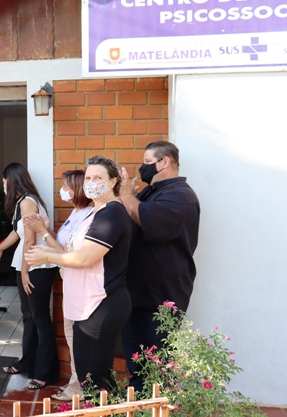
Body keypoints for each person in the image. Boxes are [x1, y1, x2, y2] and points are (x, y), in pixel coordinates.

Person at [25, 156, 132, 392]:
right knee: (95, 376)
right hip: (88, 304)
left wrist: (46, 256)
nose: (91, 183)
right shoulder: (95, 212)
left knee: (91, 380)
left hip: (100, 304)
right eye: (88, 178)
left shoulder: (111, 213)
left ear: (113, 181)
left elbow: (84, 258)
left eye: (98, 178)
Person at [118, 141, 201, 392]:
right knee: (137, 356)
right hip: (139, 291)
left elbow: (145, 217)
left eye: (146, 162)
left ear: (164, 162)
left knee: (158, 359)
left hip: (161, 295)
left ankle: (156, 404)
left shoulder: (180, 196)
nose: (142, 168)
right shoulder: (151, 192)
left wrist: (126, 196)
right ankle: (140, 402)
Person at [22, 170, 92, 401]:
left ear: (76, 190)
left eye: (65, 186)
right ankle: (76, 383)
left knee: (76, 338)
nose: (62, 191)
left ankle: (78, 386)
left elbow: (66, 253)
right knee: (71, 335)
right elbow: (60, 242)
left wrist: (43, 232)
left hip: (80, 284)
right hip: (70, 282)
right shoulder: (76, 212)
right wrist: (47, 229)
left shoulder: (89, 216)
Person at [0, 162, 59, 390]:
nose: (2, 185)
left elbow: (29, 239)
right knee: (29, 317)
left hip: (36, 266)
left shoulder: (28, 202)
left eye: (3, 181)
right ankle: (27, 362)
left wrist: (26, 271)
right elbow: (16, 232)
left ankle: (45, 372)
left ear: (11, 181)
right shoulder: (23, 201)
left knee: (40, 319)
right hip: (28, 264)